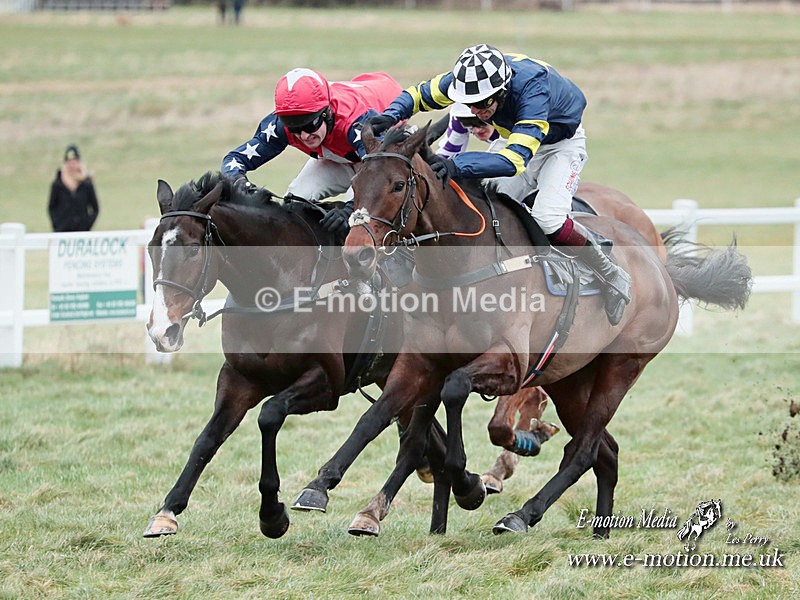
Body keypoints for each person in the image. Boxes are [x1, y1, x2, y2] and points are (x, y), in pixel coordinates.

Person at [368, 44, 631, 325]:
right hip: (514, 137)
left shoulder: (533, 91)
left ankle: (610, 271)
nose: (474, 112)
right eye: (468, 104)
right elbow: (418, 95)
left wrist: (456, 166)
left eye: (481, 106)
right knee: (484, 209)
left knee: (548, 217)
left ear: (502, 92)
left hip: (559, 146)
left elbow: (516, 161)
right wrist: (391, 114)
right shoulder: (469, 78)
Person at [221, 68, 403, 237]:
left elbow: (381, 172)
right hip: (344, 156)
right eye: (295, 128)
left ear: (328, 113)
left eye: (310, 125)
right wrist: (240, 183)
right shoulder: (280, 126)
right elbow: (233, 160)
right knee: (295, 200)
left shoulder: (355, 121)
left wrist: (349, 210)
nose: (304, 136)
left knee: (357, 218)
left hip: (382, 159)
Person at [48, 144, 100, 232]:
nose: (72, 165)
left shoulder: (86, 183)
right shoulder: (58, 183)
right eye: (69, 162)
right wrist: (57, 225)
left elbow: (95, 208)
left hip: (82, 231)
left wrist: (87, 224)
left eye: (75, 161)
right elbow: (52, 207)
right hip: (63, 230)